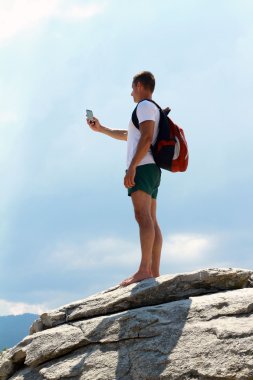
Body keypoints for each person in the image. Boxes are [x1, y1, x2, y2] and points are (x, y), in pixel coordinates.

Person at [86, 71, 163, 287]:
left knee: (142, 217)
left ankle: (144, 270)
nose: (131, 94)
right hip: (152, 169)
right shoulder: (152, 109)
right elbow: (131, 136)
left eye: (132, 89)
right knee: (151, 219)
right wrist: (101, 129)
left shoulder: (144, 106)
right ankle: (154, 271)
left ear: (139, 85)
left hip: (143, 167)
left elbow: (146, 138)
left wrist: (131, 168)